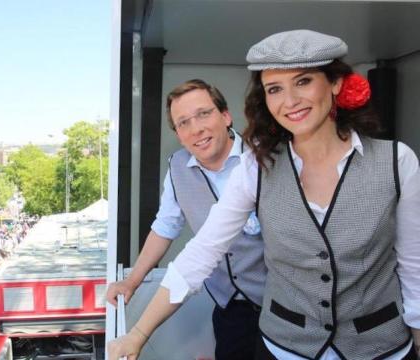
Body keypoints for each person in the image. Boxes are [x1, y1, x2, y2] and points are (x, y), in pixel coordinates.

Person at [108, 29, 420, 360]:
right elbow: (199, 252)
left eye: (303, 81)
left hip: (379, 347)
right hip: (285, 346)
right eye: (274, 89)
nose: (289, 101)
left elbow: (414, 262)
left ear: (335, 83)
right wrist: (138, 334)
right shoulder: (256, 167)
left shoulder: (397, 161)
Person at [106, 79, 266, 359]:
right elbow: (165, 227)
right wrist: (131, 281)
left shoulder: (263, 157)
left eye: (204, 114)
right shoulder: (178, 167)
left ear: (225, 116)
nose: (196, 129)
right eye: (183, 123)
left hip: (280, 305)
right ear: (179, 135)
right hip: (230, 307)